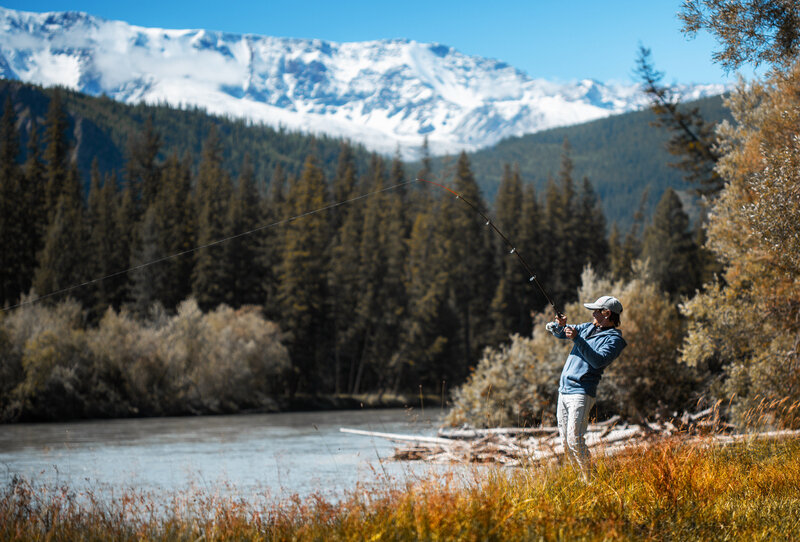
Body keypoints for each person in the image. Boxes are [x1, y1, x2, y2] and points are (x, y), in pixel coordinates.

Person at [546, 295, 627, 480]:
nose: (593, 313)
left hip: (581, 393)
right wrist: (560, 325)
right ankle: (581, 480)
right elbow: (563, 333)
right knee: (567, 443)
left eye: (596, 311)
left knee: (575, 440)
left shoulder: (614, 339)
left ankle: (591, 481)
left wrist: (577, 339)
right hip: (564, 391)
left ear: (606, 314)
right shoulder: (587, 327)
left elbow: (598, 361)